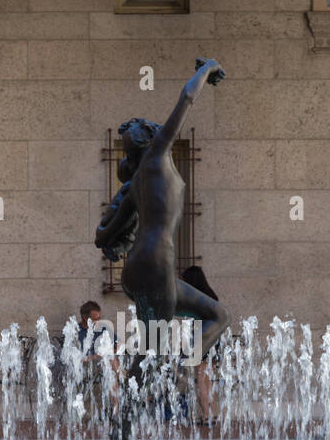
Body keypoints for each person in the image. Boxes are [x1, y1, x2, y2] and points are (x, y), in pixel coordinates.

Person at [95, 57, 230, 373]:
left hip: (137, 270)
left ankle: (131, 415)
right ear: (149, 139)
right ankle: (180, 372)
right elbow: (186, 98)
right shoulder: (157, 157)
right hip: (157, 263)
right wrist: (206, 68)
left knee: (157, 345)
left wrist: (121, 240)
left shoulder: (134, 183)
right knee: (209, 321)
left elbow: (102, 236)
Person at [180, 265, 223, 424]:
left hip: (201, 338)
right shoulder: (211, 296)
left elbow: (192, 321)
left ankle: (206, 414)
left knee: (200, 378)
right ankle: (210, 412)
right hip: (213, 338)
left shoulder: (194, 298)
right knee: (207, 379)